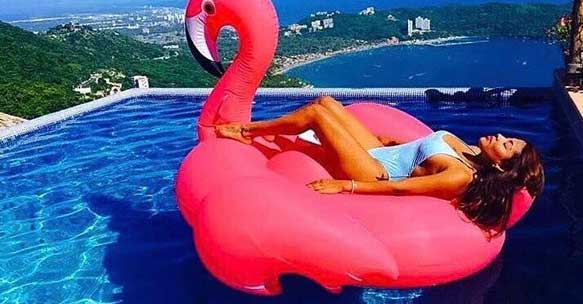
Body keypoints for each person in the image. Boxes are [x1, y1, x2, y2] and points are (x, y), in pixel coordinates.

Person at [215, 95, 544, 237]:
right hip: (379, 151)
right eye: (509, 138)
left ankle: (247, 130)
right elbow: (415, 150)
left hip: (374, 171)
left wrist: (346, 185)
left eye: (507, 145)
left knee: (316, 116)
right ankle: (261, 129)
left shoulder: (460, 174)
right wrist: (383, 141)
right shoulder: (469, 150)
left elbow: (400, 188)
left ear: (501, 167)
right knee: (326, 102)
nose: (501, 136)